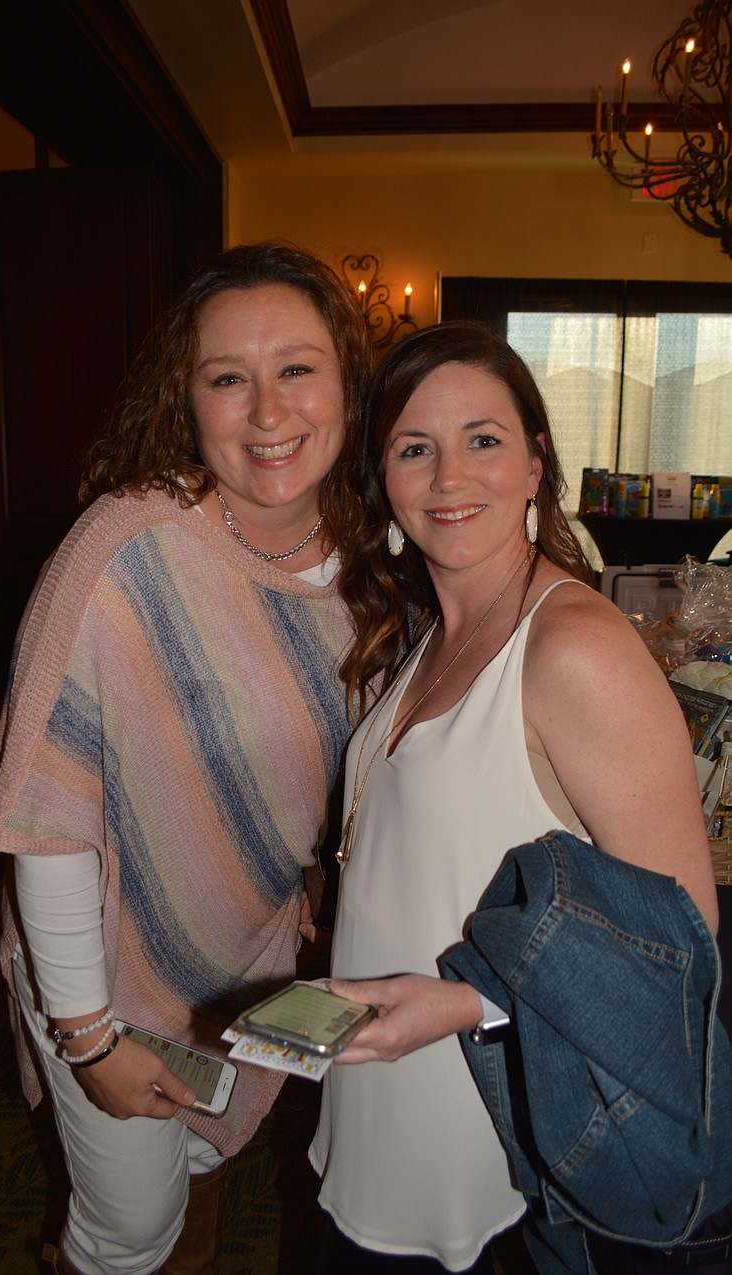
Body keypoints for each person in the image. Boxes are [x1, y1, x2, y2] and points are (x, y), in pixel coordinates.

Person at [0, 241, 373, 1275]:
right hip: (102, 966)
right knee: (128, 1230)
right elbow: (48, 821)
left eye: (296, 368)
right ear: (184, 400)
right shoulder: (121, 552)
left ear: (346, 383)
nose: (267, 410)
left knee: (193, 1169)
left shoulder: (380, 563)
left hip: (249, 949)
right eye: (226, 378)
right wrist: (88, 1037)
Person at [308, 320, 719, 1274]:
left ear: (536, 464)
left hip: (497, 1136)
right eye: (416, 447)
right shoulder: (430, 631)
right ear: (385, 480)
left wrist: (463, 1005)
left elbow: (683, 948)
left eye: (483, 440)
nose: (450, 476)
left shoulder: (575, 646)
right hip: (382, 1095)